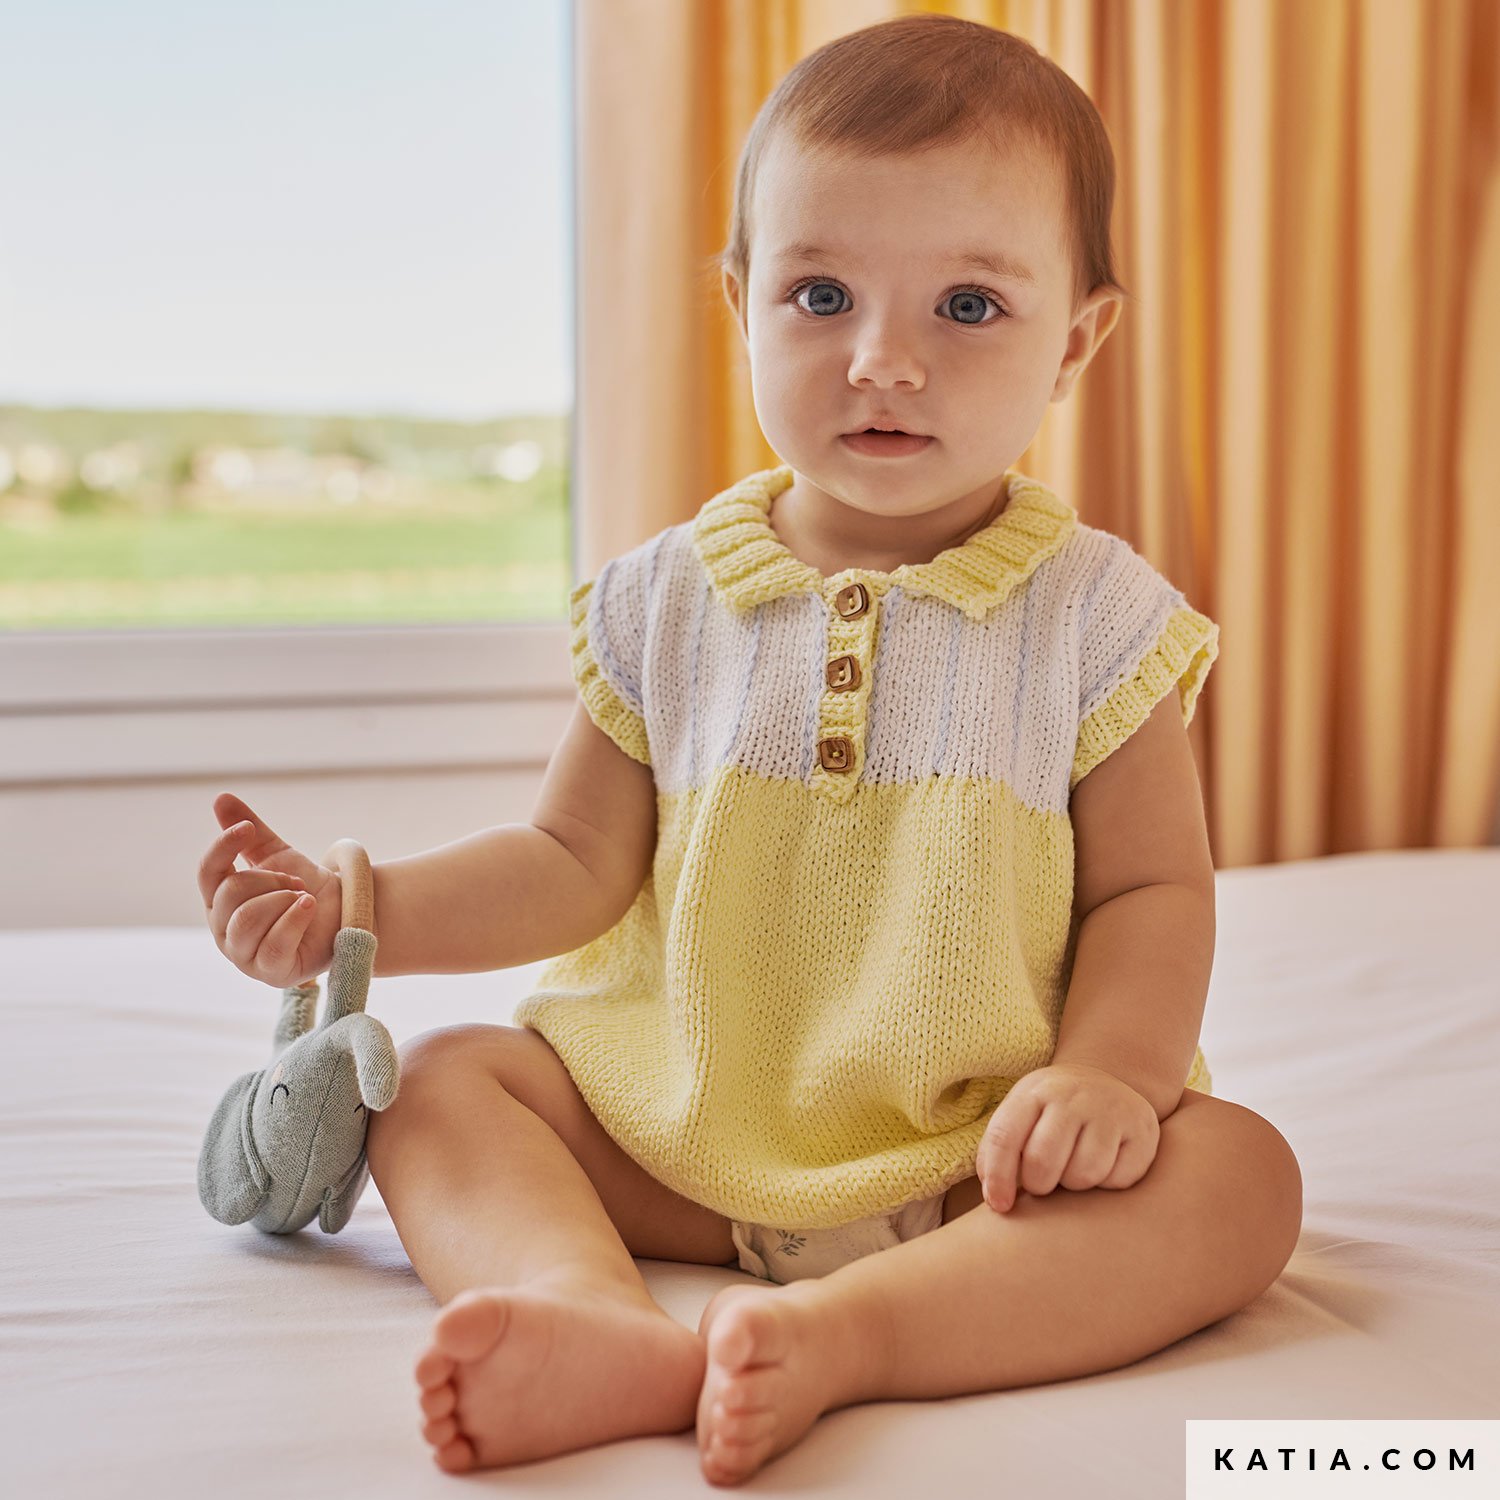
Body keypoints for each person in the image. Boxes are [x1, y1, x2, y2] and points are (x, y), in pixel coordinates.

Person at [200, 13, 1302, 1488]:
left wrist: (1109, 1074)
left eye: (968, 307)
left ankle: (862, 1336)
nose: (884, 361)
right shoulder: (660, 601)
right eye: (823, 292)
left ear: (1077, 340)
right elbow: (569, 864)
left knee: (1239, 1180)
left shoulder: (1098, 617)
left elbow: (1153, 897)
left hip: (978, 1167)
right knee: (449, 1082)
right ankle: (589, 1316)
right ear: (739, 303)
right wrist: (364, 910)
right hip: (674, 1141)